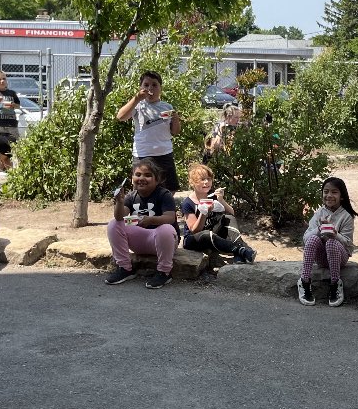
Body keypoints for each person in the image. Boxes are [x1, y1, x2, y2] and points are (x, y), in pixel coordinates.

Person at [104, 158, 179, 290]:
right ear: (132, 177)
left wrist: (151, 220)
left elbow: (170, 218)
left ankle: (164, 272)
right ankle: (124, 268)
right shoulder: (131, 196)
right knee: (114, 224)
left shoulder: (164, 194)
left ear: (157, 179)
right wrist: (120, 202)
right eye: (138, 174)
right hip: (140, 241)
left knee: (166, 229)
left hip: (163, 241)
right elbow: (121, 217)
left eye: (148, 175)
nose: (142, 178)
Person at [116, 71, 181, 192]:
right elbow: (120, 117)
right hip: (142, 155)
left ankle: (161, 210)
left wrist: (176, 119)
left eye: (154, 85)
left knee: (169, 190)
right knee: (141, 191)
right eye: (146, 85)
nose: (150, 88)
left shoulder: (168, 107)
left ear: (160, 88)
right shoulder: (137, 105)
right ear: (141, 87)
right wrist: (136, 98)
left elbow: (175, 132)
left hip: (164, 153)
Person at [297, 177, 358, 308]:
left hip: (339, 257)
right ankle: (304, 281)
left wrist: (335, 234)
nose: (329, 195)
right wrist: (319, 230)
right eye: (326, 191)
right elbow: (306, 239)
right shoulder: (319, 213)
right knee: (313, 238)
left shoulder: (346, 216)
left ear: (342, 196)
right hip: (322, 258)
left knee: (331, 242)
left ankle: (335, 283)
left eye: (334, 192)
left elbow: (348, 244)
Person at [180, 163, 256, 264]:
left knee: (229, 218)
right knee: (207, 234)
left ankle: (239, 255)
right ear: (192, 183)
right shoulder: (188, 203)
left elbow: (231, 213)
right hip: (195, 239)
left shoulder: (212, 196)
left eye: (209, 179)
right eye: (202, 179)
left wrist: (221, 200)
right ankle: (241, 250)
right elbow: (194, 230)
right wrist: (204, 213)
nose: (206, 182)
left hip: (214, 232)